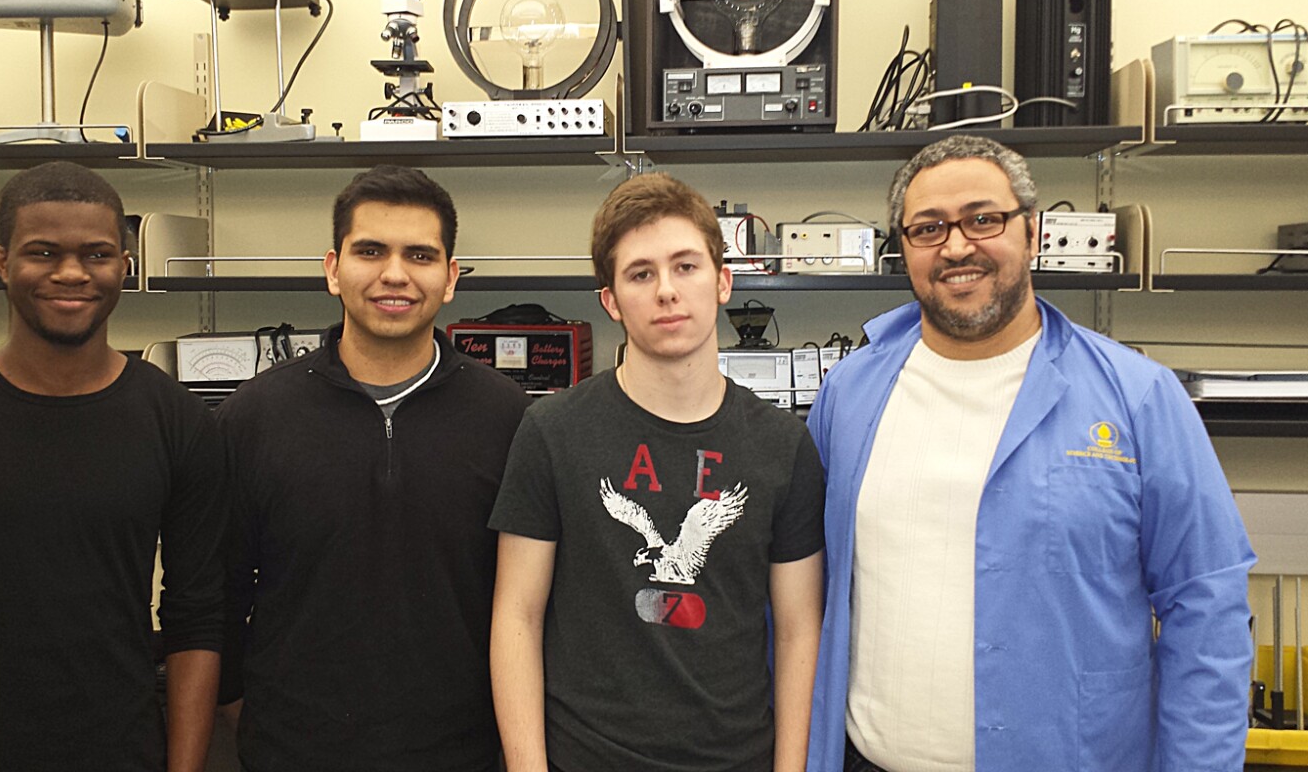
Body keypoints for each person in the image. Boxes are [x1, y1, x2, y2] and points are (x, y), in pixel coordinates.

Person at [806, 134, 1256, 772]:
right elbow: (806, 592)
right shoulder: (849, 393)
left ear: (1033, 232)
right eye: (928, 228)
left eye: (984, 219)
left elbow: (1206, 609)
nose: (957, 246)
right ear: (902, 248)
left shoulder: (1138, 397)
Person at [0, 161, 227, 772]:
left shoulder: (178, 422)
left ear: (125, 267)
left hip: (123, 751)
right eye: (43, 252)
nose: (72, 273)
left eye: (97, 254)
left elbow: (196, 620)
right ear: (1, 262)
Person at [489, 172, 826, 772]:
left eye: (686, 266)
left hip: (735, 758)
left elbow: (800, 631)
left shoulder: (783, 445)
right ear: (611, 301)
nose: (667, 291)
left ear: (723, 282)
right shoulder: (551, 431)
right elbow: (517, 615)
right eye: (641, 273)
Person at [217, 165, 531, 772]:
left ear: (450, 278)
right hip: (292, 752)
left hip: (464, 755)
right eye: (370, 251)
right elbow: (217, 597)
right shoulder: (252, 418)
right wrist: (239, 707)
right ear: (333, 270)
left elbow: (533, 606)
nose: (395, 274)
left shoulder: (511, 421)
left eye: (420, 254)